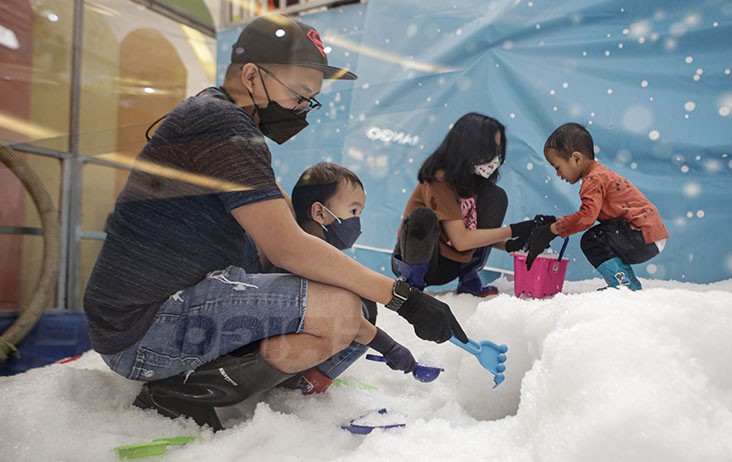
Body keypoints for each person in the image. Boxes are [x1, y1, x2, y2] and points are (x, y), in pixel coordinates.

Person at [83, 16, 466, 432]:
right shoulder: (221, 125)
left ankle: (266, 388)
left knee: (353, 298)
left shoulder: (218, 118)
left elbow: (285, 222)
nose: (303, 109)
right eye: (299, 95)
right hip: (143, 329)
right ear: (251, 75)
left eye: (310, 100)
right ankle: (178, 396)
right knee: (340, 309)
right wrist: (403, 298)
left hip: (164, 310)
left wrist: (369, 288)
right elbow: (289, 247)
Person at [250, 162, 416, 394]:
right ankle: (302, 387)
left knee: (362, 307)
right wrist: (389, 347)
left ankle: (306, 378)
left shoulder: (311, 248)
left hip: (290, 335)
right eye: (353, 212)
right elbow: (337, 317)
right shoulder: (304, 255)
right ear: (319, 213)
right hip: (274, 346)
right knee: (356, 324)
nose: (357, 223)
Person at [391, 112, 551, 297]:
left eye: (498, 150)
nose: (496, 157)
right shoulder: (438, 181)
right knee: (422, 218)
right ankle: (412, 284)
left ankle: (470, 277)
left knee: (496, 196)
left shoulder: (475, 185)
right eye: (492, 149)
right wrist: (514, 230)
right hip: (422, 261)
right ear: (471, 147)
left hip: (452, 263)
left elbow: (473, 232)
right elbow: (461, 240)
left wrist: (511, 244)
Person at [512, 122, 669, 290]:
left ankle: (623, 285)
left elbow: (586, 218)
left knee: (593, 239)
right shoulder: (600, 175)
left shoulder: (593, 179)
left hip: (642, 235)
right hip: (648, 234)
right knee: (601, 234)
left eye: (558, 167)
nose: (558, 174)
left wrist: (552, 230)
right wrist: (553, 222)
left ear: (576, 159)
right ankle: (628, 284)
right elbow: (589, 215)